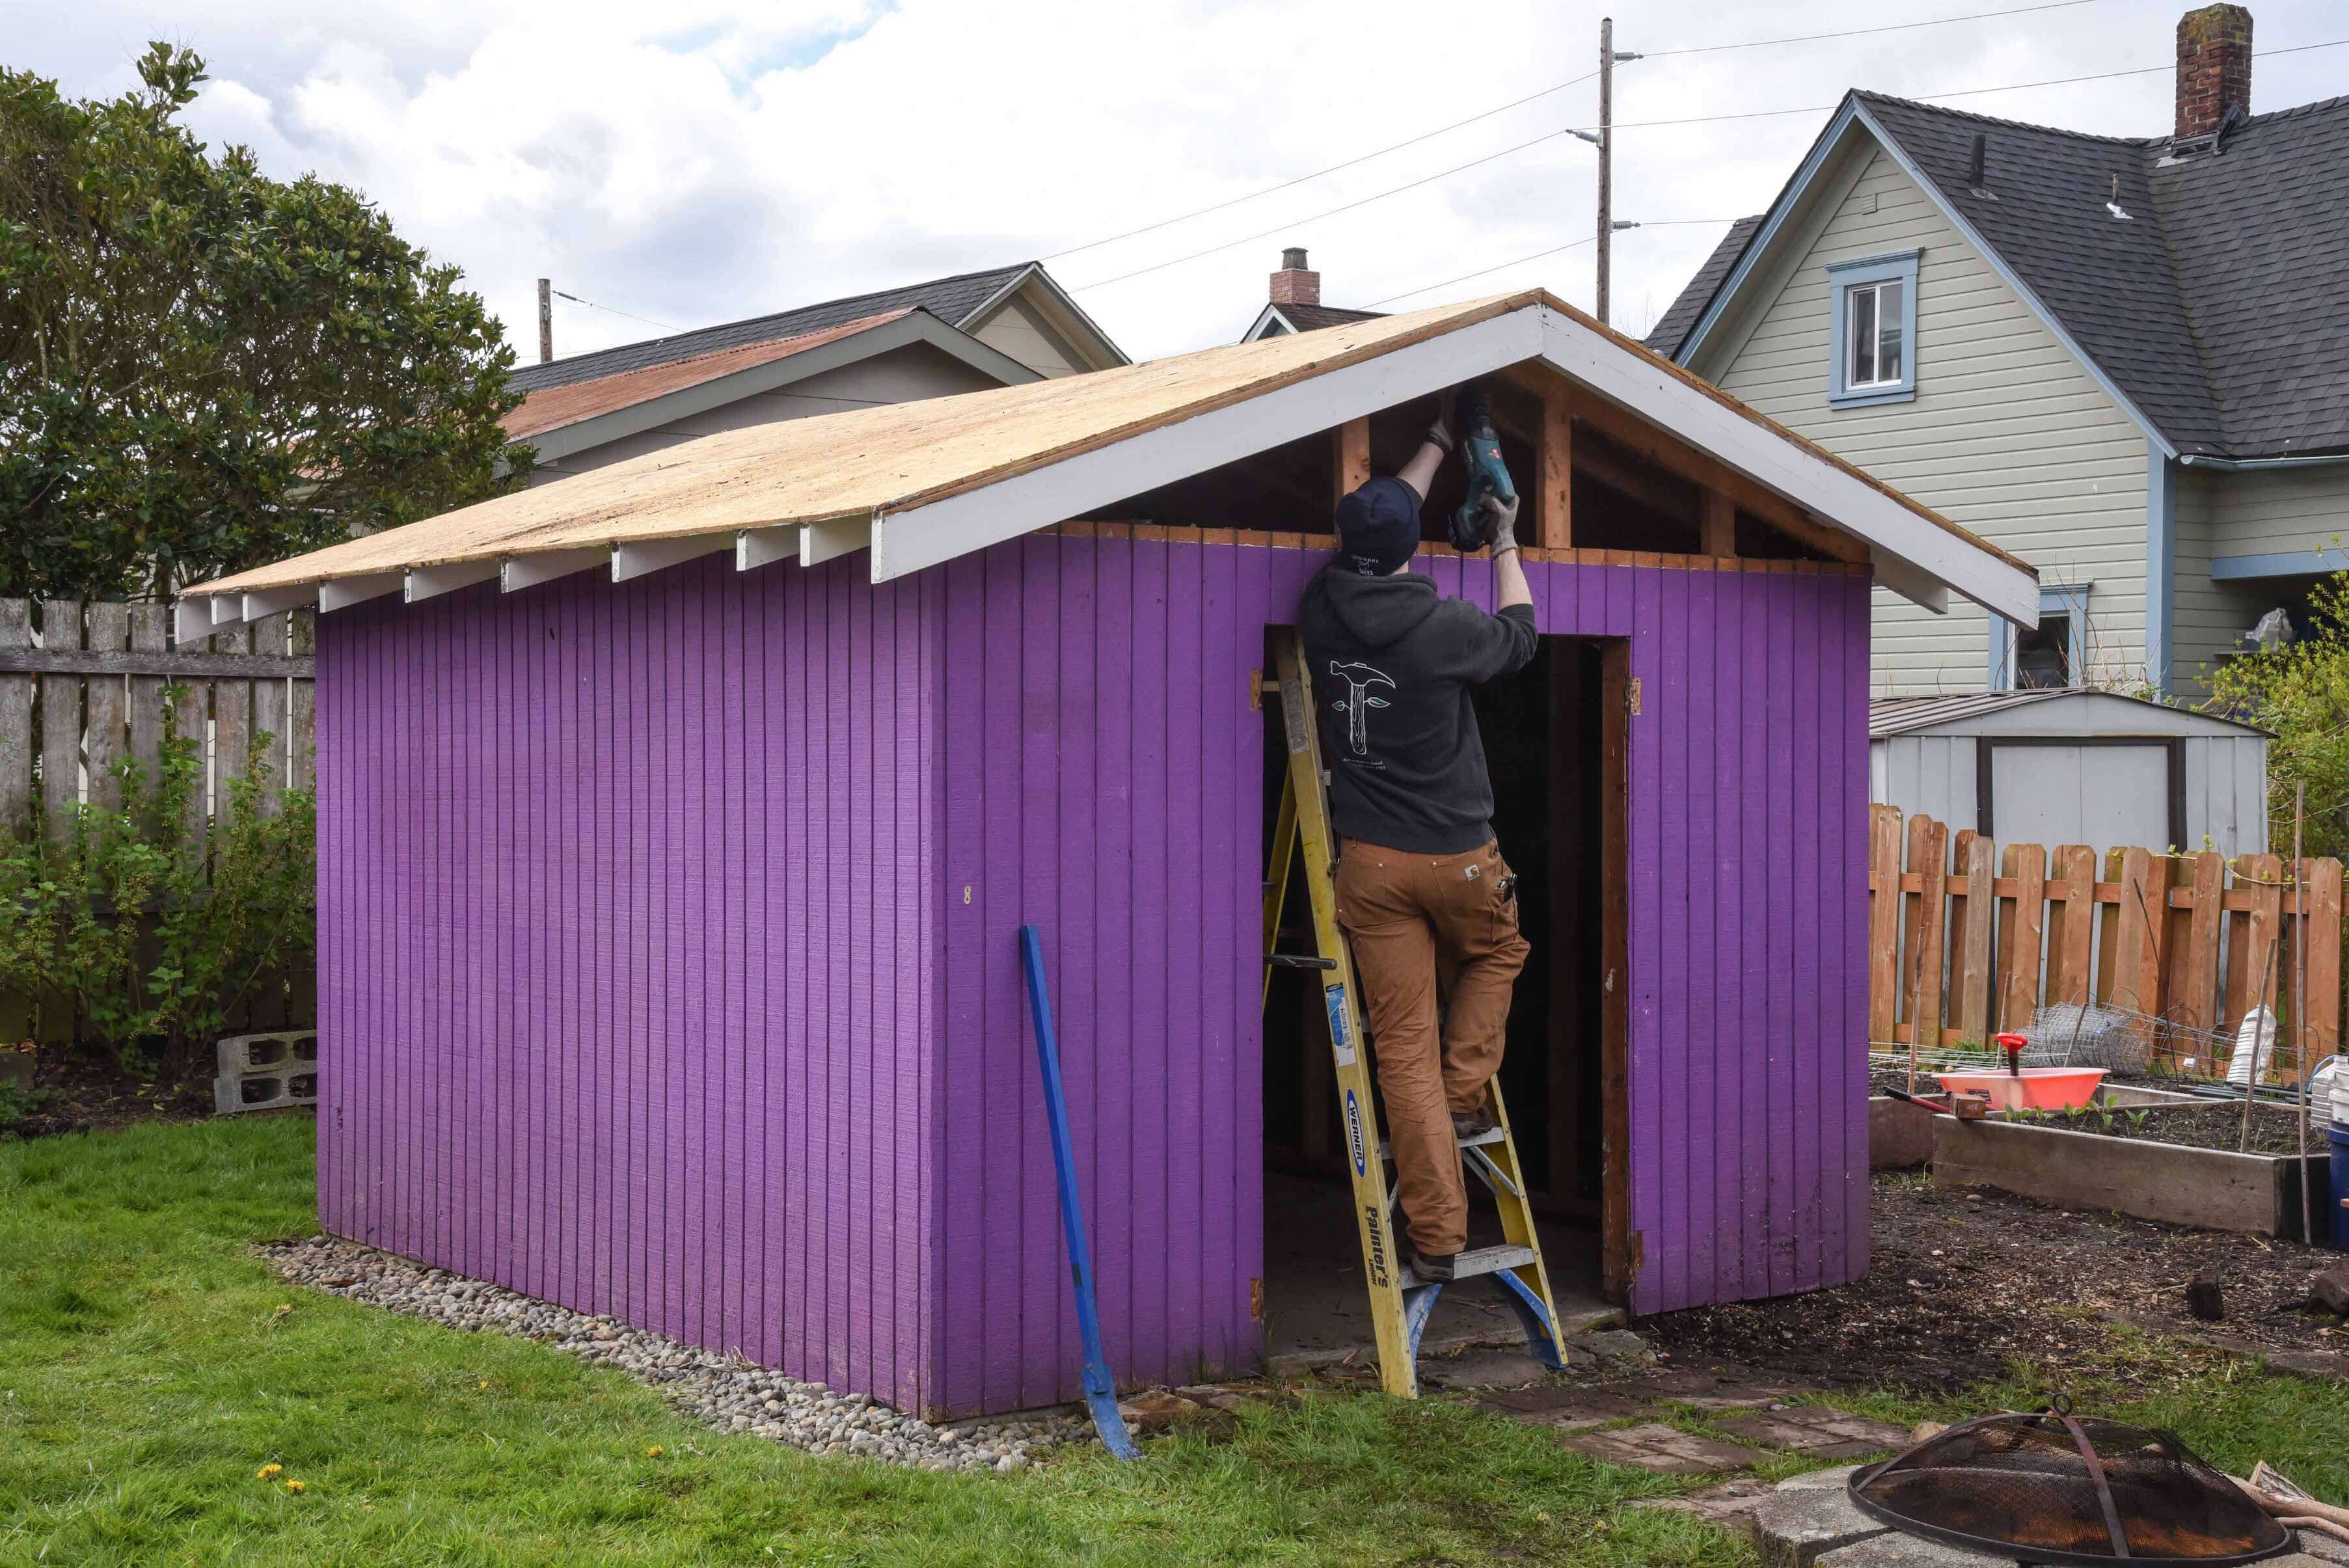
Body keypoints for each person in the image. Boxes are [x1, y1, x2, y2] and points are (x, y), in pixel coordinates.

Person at [1298, 392, 1536, 1283]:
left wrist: (1435, 442)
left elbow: (1380, 512)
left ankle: (1436, 1237)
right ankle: (1468, 1093)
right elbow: (1520, 634)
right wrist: (1505, 535)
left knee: (1397, 1047)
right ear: (1409, 551)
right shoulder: (1443, 627)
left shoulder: (1321, 606)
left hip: (1370, 865)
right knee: (1500, 952)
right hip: (1464, 861)